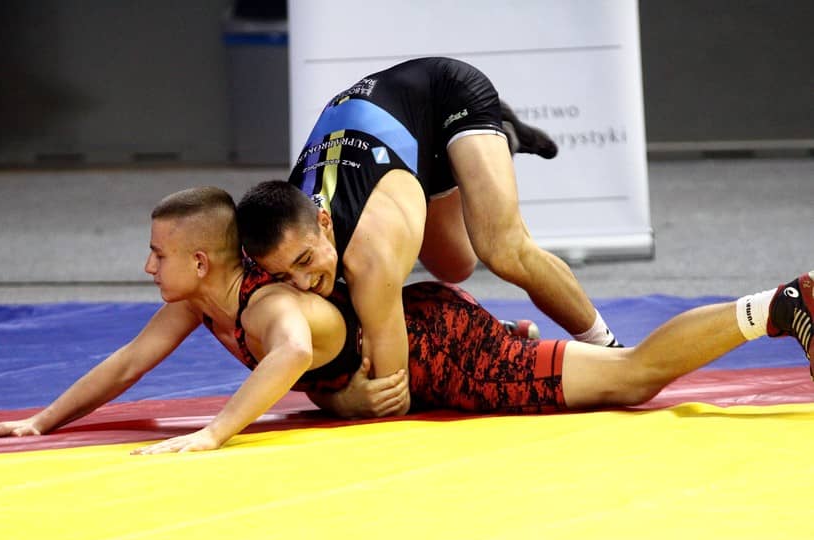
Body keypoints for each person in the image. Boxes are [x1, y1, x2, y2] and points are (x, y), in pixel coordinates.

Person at [0, 187, 813, 455]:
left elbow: (291, 351)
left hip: (441, 352)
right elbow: (126, 364)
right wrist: (41, 420)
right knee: (613, 380)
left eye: (157, 254)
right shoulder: (194, 305)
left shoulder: (268, 304)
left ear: (203, 263)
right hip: (423, 341)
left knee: (629, 381)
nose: (148, 268)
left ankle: (776, 307)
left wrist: (214, 433)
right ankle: (772, 308)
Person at [236, 57, 622, 417]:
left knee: (504, 251)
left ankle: (607, 345)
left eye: (304, 261)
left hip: (445, 96)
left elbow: (392, 392)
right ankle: (489, 330)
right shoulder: (279, 236)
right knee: (455, 265)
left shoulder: (370, 252)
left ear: (323, 222)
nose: (303, 283)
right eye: (284, 276)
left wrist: (342, 400)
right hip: (402, 145)